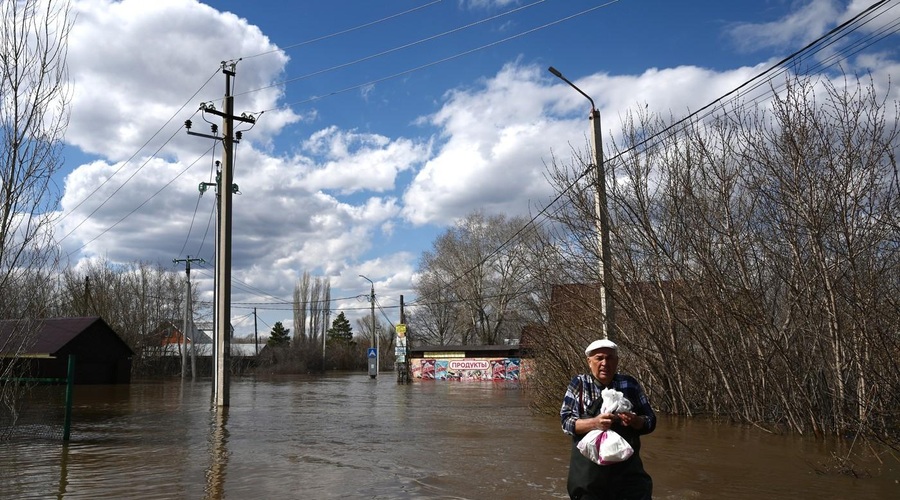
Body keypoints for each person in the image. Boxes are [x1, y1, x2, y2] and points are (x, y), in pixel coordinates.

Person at [560, 339, 656, 500]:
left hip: (628, 479)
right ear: (589, 361)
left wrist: (635, 421)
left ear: (617, 361)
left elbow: (651, 421)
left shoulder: (629, 384)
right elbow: (566, 423)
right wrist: (595, 423)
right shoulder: (579, 384)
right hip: (589, 480)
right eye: (599, 358)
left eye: (610, 358)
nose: (605, 363)